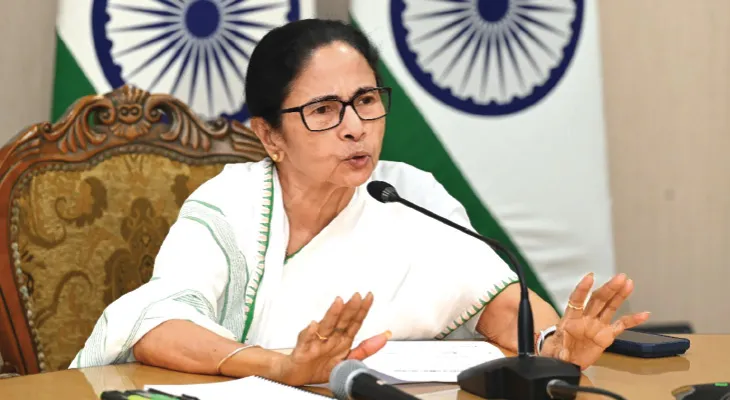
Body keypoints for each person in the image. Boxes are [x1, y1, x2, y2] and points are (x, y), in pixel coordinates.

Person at [70, 19, 649, 386]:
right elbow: (156, 324)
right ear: (270, 136)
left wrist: (552, 345)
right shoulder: (232, 204)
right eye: (324, 110)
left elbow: (494, 299)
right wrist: (281, 367)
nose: (356, 127)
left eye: (367, 100)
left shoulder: (410, 193)